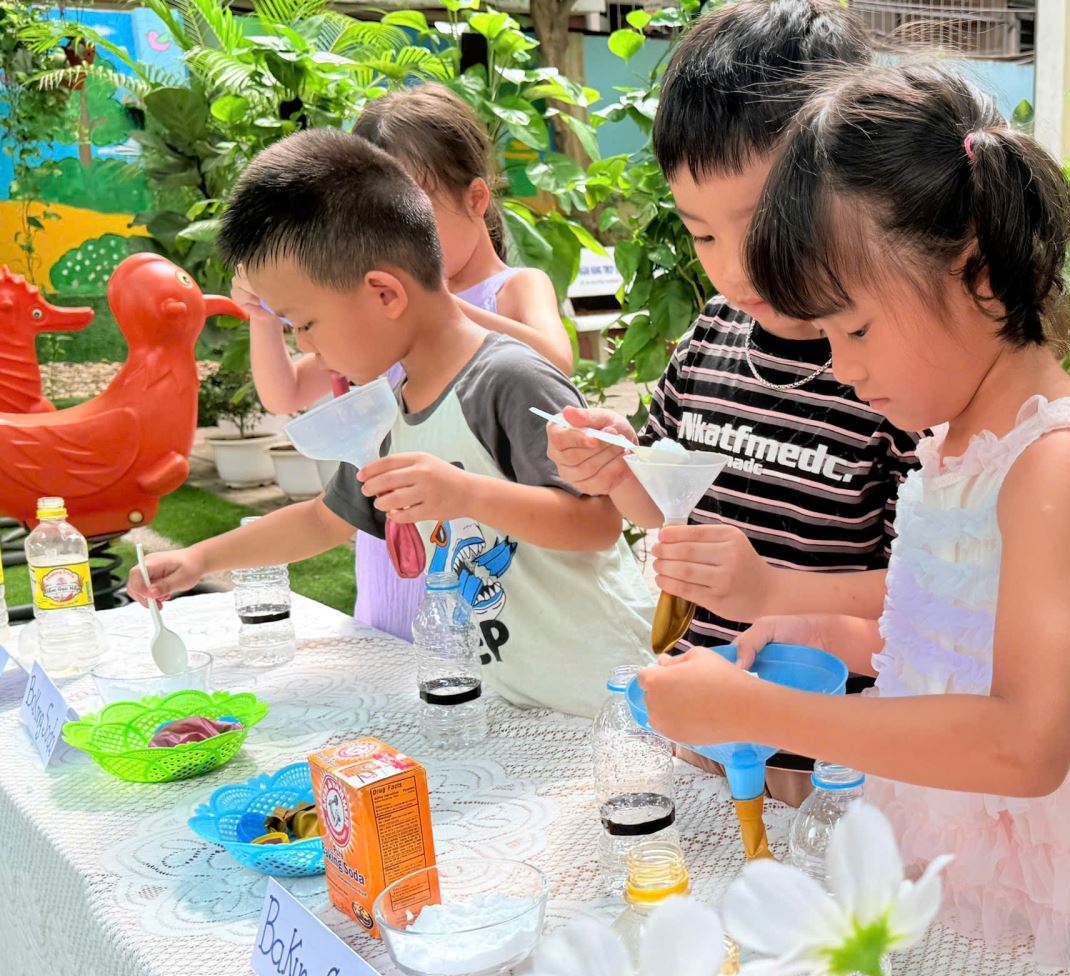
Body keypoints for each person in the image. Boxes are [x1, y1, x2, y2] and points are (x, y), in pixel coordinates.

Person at [636, 63, 1070, 967]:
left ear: (979, 274)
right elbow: (957, 636)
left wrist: (761, 711)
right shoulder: (954, 443)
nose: (842, 368)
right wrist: (824, 632)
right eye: (826, 335)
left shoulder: (1055, 463)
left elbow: (1025, 743)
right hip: (989, 861)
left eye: (856, 330)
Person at [133, 129, 652, 719]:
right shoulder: (391, 411)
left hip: (611, 698)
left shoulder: (508, 378)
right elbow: (323, 520)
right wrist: (200, 560)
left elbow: (597, 523)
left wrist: (466, 495)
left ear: (384, 294)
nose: (307, 347)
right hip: (520, 703)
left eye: (306, 325)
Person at [545, 0, 920, 801]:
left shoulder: (896, 376)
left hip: (831, 762)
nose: (733, 269)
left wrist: (772, 590)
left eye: (758, 226)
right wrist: (617, 471)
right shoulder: (713, 334)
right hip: (704, 729)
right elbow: (668, 509)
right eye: (703, 234)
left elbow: (928, 594)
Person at [232, 82, 572, 640]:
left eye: (411, 212)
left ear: (476, 199)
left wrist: (435, 303)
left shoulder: (512, 287)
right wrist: (267, 314)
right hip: (387, 560)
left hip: (476, 565)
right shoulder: (376, 315)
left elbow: (555, 360)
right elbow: (284, 393)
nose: (389, 235)